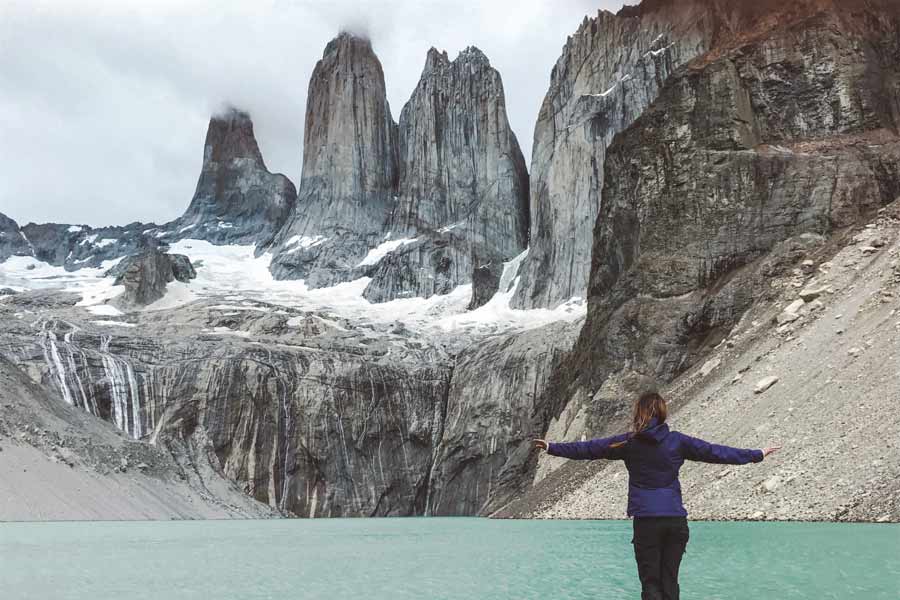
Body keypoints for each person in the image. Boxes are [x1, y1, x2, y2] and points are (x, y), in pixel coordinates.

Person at [533, 390, 781, 600]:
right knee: (670, 581)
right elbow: (717, 452)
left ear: (638, 413)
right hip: (675, 521)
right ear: (662, 413)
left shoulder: (627, 443)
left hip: (647, 522)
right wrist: (756, 454)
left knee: (650, 583)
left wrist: (552, 447)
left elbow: (587, 449)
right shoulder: (677, 441)